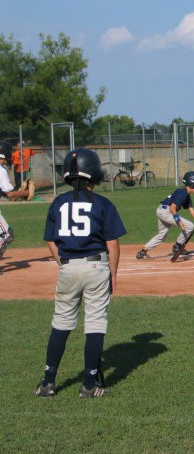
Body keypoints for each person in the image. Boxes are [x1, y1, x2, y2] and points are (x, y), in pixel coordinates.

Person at [35, 148, 127, 398]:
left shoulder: (58, 202)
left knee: (61, 322)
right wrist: (113, 273)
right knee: (95, 322)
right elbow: (113, 243)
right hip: (96, 265)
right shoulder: (102, 203)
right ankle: (89, 383)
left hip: (68, 266)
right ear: (94, 173)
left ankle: (47, 381)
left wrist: (63, 263)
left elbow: (51, 241)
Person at [136, 171, 194, 259]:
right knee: (190, 226)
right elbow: (172, 208)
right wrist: (178, 220)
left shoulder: (186, 195)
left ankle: (142, 251)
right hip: (166, 212)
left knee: (162, 235)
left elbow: (191, 209)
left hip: (162, 210)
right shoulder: (183, 193)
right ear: (192, 184)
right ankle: (177, 246)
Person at [0, 142, 36, 260]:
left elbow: (6, 194)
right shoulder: (1, 170)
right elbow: (10, 194)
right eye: (9, 153)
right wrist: (26, 193)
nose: (11, 156)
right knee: (7, 234)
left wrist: (19, 192)